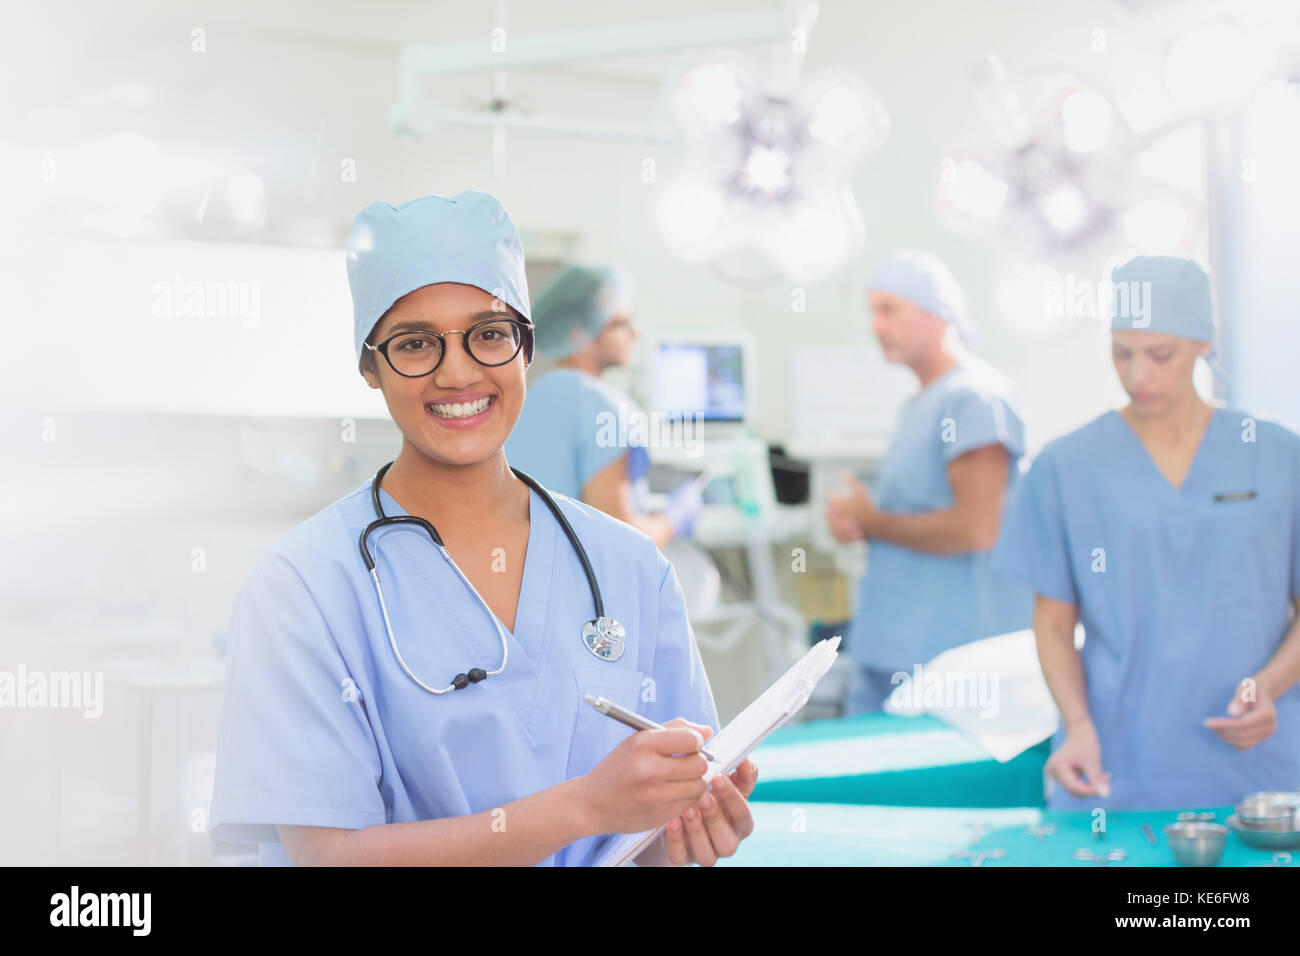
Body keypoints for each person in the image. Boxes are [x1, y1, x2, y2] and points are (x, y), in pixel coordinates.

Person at [207, 192, 757, 865]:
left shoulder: (630, 567)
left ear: (526, 347)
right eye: (415, 343)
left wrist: (687, 831)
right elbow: (330, 857)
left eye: (490, 333)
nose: (459, 371)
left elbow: (651, 833)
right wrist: (584, 806)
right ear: (369, 366)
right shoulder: (303, 589)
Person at [993, 254, 1300, 809]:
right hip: (1118, 757)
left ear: (1203, 345)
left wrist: (1270, 685)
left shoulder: (1279, 457)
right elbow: (1054, 623)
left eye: (1161, 355)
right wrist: (1078, 725)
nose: (1139, 376)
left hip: (1258, 761)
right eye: (1122, 353)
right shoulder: (1066, 466)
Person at [825, 249, 1032, 714]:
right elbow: (911, 511)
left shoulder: (975, 399)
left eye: (888, 310)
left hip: (949, 663)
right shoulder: (920, 405)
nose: (875, 326)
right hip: (894, 649)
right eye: (872, 312)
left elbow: (976, 527)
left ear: (935, 314)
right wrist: (858, 522)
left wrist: (875, 522)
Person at [505, 264, 702, 547]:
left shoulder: (534, 395)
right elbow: (621, 540)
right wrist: (674, 518)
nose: (637, 331)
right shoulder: (600, 406)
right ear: (579, 335)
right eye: (622, 323)